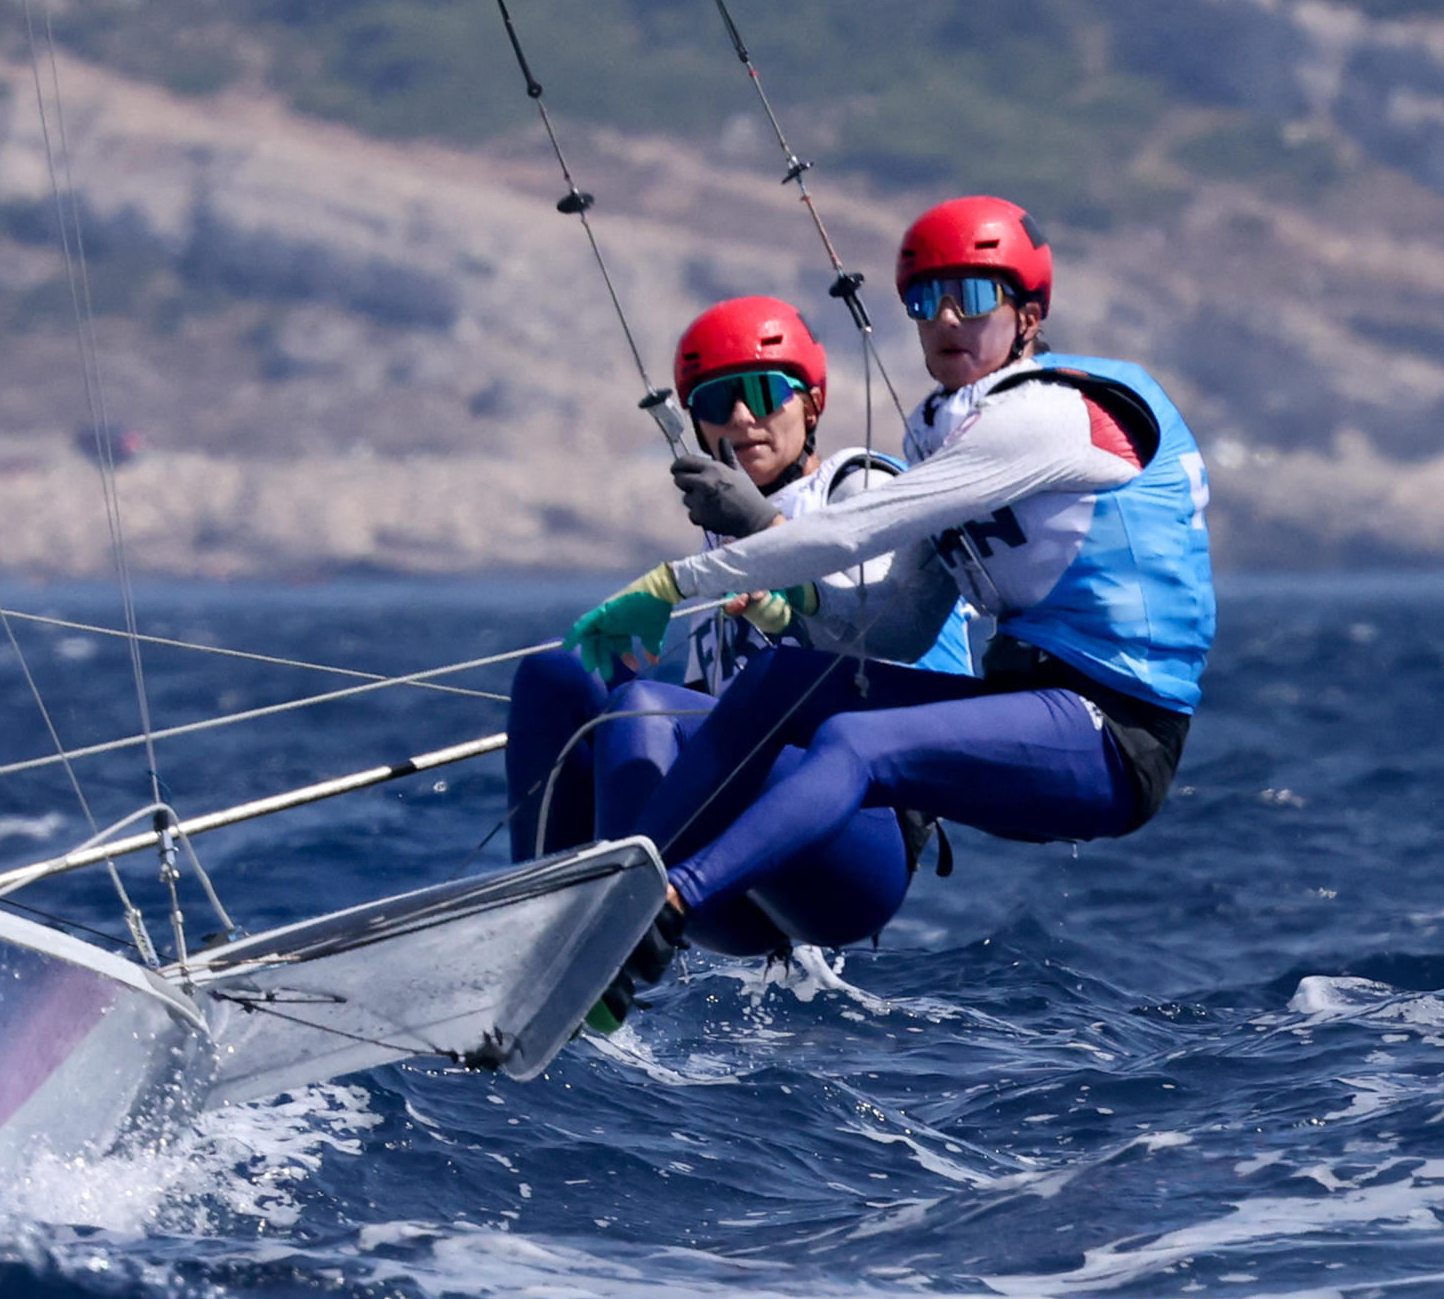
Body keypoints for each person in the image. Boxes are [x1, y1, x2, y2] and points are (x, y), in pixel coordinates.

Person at [563, 196, 1216, 990]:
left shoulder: (1048, 420)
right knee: (780, 682)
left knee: (857, 743)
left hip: (1116, 733)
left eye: (971, 297)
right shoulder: (950, 434)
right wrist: (799, 611)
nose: (945, 318)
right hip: (1029, 697)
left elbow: (850, 533)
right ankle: (615, 908)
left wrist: (676, 583)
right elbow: (901, 626)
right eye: (924, 300)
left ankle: (666, 908)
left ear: (1028, 315)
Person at [508, 297, 969, 977]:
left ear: (811, 405)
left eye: (763, 393)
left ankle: (608, 946)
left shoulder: (862, 482)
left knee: (642, 711)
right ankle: (534, 936)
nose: (743, 419)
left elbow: (884, 615)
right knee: (557, 674)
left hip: (853, 844)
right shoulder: (721, 546)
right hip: (728, 879)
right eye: (718, 402)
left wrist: (759, 528)